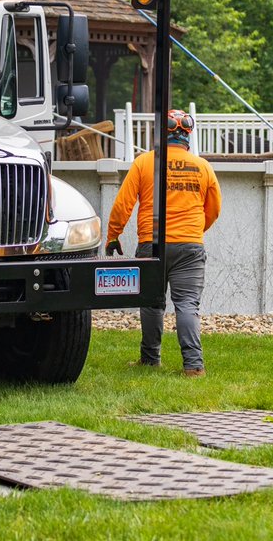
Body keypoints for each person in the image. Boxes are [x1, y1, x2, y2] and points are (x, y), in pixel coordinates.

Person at [106, 109, 221, 377]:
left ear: (162, 133)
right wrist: (194, 231)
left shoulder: (144, 162)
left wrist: (114, 235)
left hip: (151, 244)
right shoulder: (203, 167)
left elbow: (123, 203)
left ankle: (150, 359)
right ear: (188, 135)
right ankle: (193, 365)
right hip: (190, 246)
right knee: (187, 304)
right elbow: (214, 209)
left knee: (151, 302)